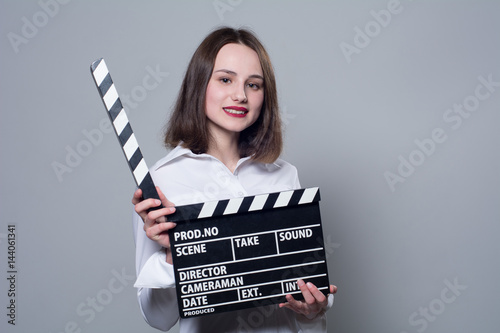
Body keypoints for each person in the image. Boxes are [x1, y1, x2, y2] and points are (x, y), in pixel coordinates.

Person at [132, 27, 337, 332]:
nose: (240, 95)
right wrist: (174, 255)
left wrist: (312, 309)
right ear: (199, 84)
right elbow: (159, 319)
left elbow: (303, 301)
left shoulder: (284, 176)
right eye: (225, 79)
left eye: (253, 85)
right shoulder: (163, 181)